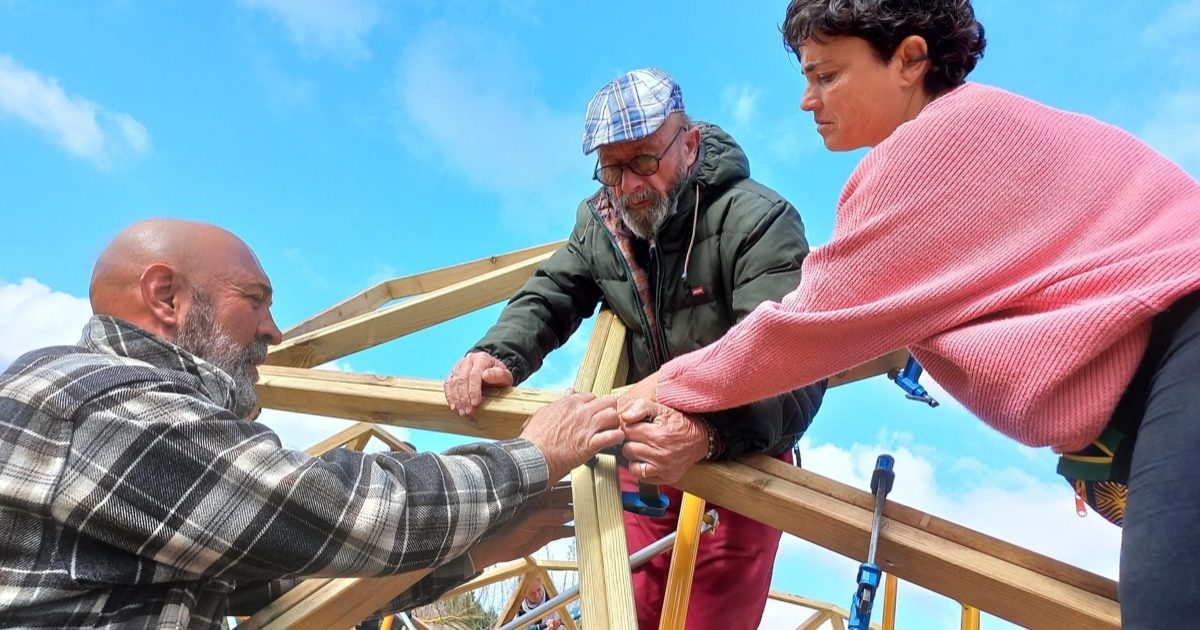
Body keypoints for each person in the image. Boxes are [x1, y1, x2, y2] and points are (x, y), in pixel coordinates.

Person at [616, 1, 1200, 627]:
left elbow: (797, 331)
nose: (807, 101)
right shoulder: (984, 134)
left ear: (910, 59)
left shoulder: (936, 146)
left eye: (827, 75)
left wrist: (630, 397)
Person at [0, 219, 626, 629]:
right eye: (255, 299)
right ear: (166, 298)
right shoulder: (91, 400)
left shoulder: (125, 426)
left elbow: (268, 580)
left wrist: (472, 554)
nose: (274, 329)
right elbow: (325, 510)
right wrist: (532, 456)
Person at [444, 68, 824, 629]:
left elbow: (790, 365)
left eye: (645, 161)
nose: (628, 185)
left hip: (744, 455)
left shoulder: (758, 220)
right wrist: (500, 352)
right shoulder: (601, 223)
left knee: (711, 619)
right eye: (611, 168)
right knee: (627, 611)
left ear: (689, 144)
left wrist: (710, 432)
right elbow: (553, 292)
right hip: (643, 456)